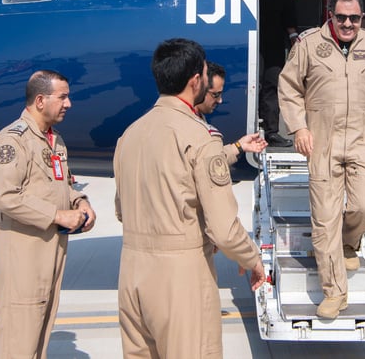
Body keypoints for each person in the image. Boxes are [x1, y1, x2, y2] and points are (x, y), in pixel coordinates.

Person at [114, 38, 266, 358]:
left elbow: (121, 209)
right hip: (180, 279)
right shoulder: (200, 137)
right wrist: (251, 258)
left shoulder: (129, 135)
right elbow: (223, 230)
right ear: (195, 80)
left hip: (131, 274)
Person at [278, 0, 365, 319]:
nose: (348, 24)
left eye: (354, 18)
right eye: (341, 17)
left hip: (362, 139)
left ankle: (348, 243)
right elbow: (289, 87)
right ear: (330, 15)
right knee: (325, 219)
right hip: (322, 140)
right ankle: (334, 292)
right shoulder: (308, 45)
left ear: (363, 18)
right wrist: (299, 128)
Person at [0, 69, 96, 359]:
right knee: (19, 340)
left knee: (38, 335)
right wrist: (58, 216)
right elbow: (6, 197)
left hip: (48, 249)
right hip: (22, 251)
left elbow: (59, 184)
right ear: (40, 100)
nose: (69, 104)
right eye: (63, 97)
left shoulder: (53, 139)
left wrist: (80, 202)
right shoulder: (12, 141)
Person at [259, 0, 297, 147]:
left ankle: (271, 132)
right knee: (253, 82)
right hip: (253, 35)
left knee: (273, 81)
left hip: (274, 36)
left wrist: (292, 34)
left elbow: (289, 6)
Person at [196, 61, 267, 162]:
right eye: (215, 95)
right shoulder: (183, 125)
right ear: (198, 88)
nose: (220, 100)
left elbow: (210, 161)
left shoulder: (197, 117)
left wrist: (239, 146)